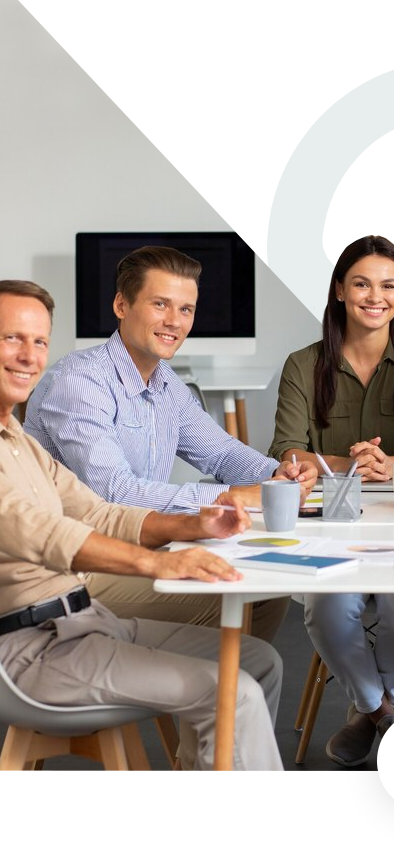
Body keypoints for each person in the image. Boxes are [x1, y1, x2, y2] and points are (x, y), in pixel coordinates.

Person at [0, 280, 282, 771]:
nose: (29, 356)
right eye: (11, 338)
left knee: (259, 662)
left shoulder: (18, 440)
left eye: (39, 341)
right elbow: (42, 533)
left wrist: (196, 526)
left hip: (83, 623)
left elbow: (97, 512)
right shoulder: (78, 381)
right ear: (122, 306)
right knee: (232, 693)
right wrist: (157, 563)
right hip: (28, 650)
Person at [24, 245, 317, 643]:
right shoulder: (80, 382)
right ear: (121, 305)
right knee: (248, 591)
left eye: (186, 309)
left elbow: (222, 451)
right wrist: (234, 497)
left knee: (266, 590)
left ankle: (211, 692)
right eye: (160, 304)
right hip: (76, 567)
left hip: (143, 544)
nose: (174, 322)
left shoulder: (166, 384)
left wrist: (276, 474)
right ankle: (203, 690)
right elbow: (117, 493)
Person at [269, 234, 394, 766]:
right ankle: (382, 712)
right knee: (327, 609)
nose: (374, 296)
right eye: (361, 283)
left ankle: (364, 710)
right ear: (338, 292)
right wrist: (346, 465)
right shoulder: (303, 365)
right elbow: (285, 451)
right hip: (330, 524)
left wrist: (390, 465)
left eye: (388, 286)